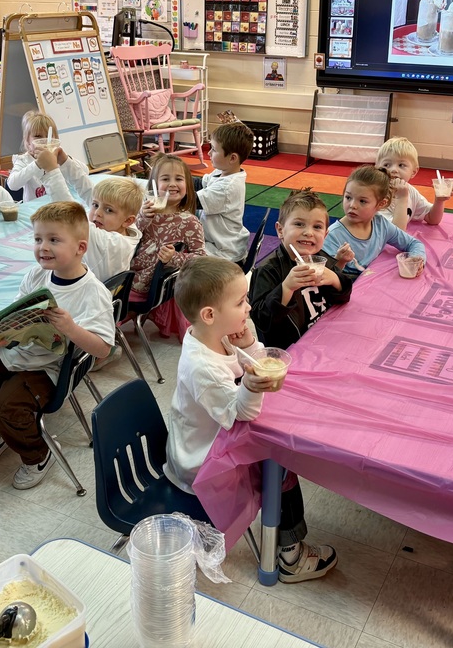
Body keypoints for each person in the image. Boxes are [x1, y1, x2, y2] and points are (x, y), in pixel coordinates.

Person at [165, 257, 338, 583]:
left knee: (281, 453)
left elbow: (252, 362)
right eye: (241, 302)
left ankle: (286, 543)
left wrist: (249, 345)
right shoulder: (203, 366)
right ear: (209, 314)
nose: (248, 308)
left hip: (217, 438)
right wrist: (250, 384)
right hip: (199, 461)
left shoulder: (220, 334)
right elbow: (240, 413)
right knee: (281, 462)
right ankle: (290, 555)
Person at [0, 202, 115, 490]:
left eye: (54, 240)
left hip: (51, 367)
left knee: (4, 407)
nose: (43, 247)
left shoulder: (92, 291)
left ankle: (38, 454)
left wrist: (71, 328)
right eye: (38, 239)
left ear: (80, 247)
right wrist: (0, 335)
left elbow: (103, 350)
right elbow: (16, 317)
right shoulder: (35, 275)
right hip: (16, 352)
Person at [250, 189, 354, 350]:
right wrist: (286, 288)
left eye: (317, 227)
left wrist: (334, 278)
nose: (308, 232)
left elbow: (344, 296)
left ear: (325, 235)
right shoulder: (267, 270)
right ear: (280, 230)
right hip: (290, 350)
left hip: (323, 340)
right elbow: (262, 320)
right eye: (299, 224)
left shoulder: (321, 259)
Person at [40, 144, 144, 281]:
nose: (97, 213)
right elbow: (89, 191)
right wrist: (65, 162)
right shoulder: (126, 227)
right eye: (95, 205)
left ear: (128, 221)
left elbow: (68, 211)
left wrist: (52, 171)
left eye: (109, 210)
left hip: (85, 296)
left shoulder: (108, 242)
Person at [130, 154, 206, 338]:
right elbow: (128, 239)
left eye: (179, 179)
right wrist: (141, 218)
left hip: (144, 285)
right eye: (165, 179)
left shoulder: (190, 222)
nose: (172, 184)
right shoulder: (144, 213)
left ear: (187, 187)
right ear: (153, 186)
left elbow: (201, 258)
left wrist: (175, 258)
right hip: (130, 271)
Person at [322, 165, 426, 274]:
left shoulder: (381, 225)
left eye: (362, 201)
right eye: (348, 197)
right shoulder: (332, 236)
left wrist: (416, 260)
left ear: (381, 204)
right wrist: (340, 261)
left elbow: (414, 243)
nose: (352, 205)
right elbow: (324, 276)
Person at [198, 123, 253, 262]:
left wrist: (169, 186)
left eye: (214, 150)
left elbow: (190, 200)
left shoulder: (227, 187)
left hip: (224, 252)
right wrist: (178, 176)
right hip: (219, 243)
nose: (209, 153)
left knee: (178, 255)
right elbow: (200, 183)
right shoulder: (223, 172)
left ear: (232, 158)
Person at [375, 137, 453, 228]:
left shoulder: (411, 192)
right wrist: (402, 198)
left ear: (413, 172)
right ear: (377, 168)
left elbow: (432, 219)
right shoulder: (376, 195)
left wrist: (439, 201)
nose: (393, 170)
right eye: (386, 165)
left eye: (401, 165)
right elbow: (395, 233)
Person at [7, 110, 60, 202]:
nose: (44, 140)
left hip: (57, 206)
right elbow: (12, 185)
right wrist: (37, 164)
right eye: (38, 136)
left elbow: (85, 170)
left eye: (48, 136)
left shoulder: (57, 156)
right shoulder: (23, 160)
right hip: (34, 211)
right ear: (27, 140)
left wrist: (65, 160)